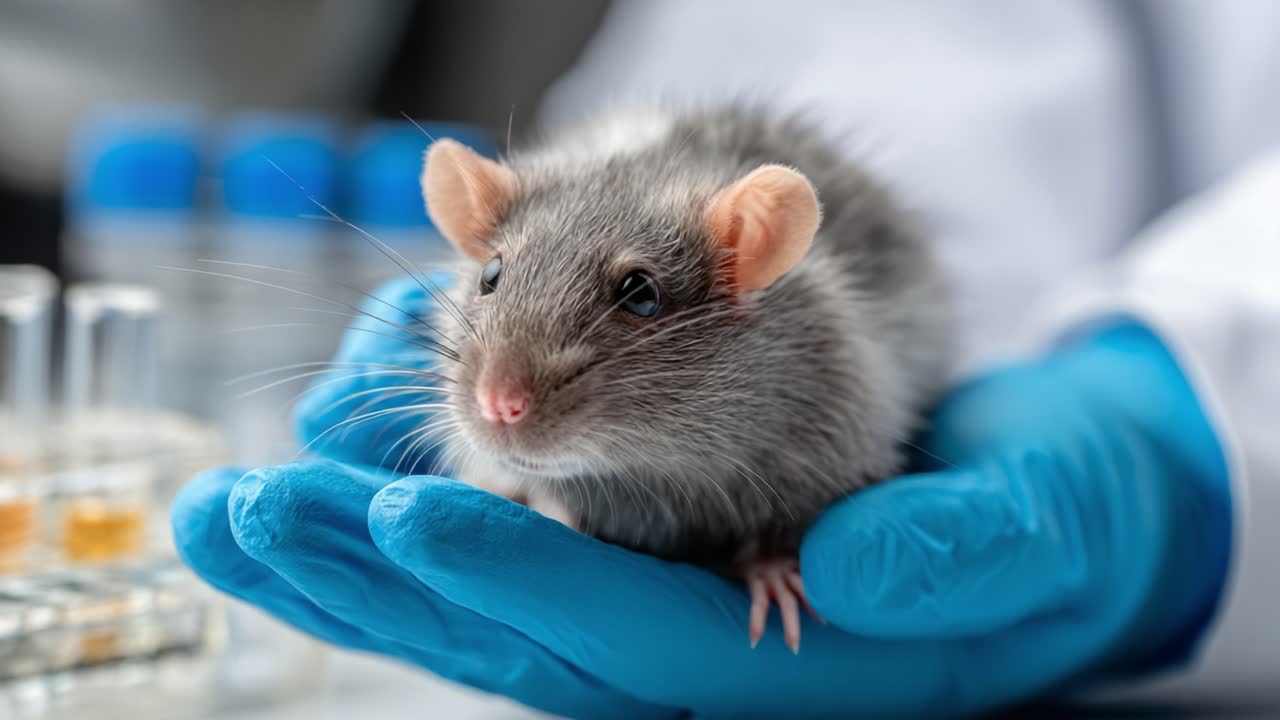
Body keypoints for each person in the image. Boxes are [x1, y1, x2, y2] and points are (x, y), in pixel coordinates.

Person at [171, 2, 1279, 717]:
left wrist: (1168, 436)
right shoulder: (527, 255)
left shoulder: (799, 351)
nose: (503, 396)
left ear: (749, 264)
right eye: (493, 282)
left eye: (638, 301)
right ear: (474, 233)